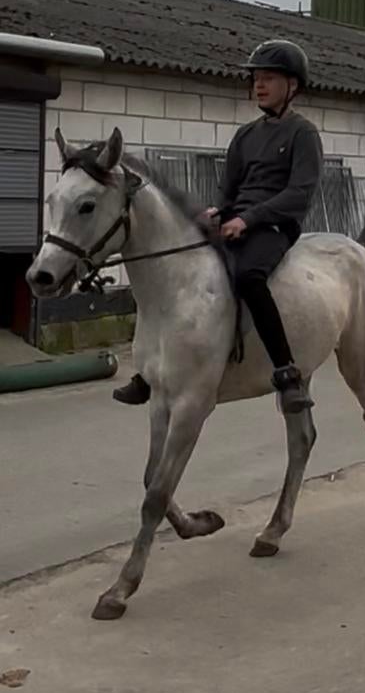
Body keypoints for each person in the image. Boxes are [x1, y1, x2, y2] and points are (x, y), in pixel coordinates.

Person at [114, 39, 324, 413]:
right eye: (256, 79)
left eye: (269, 78)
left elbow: (299, 193)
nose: (259, 85)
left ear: (292, 85)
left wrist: (250, 218)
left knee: (248, 277)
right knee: (180, 272)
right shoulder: (246, 134)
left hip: (274, 226)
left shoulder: (302, 134)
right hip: (236, 219)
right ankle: (150, 369)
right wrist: (217, 212)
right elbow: (229, 187)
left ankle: (286, 372)